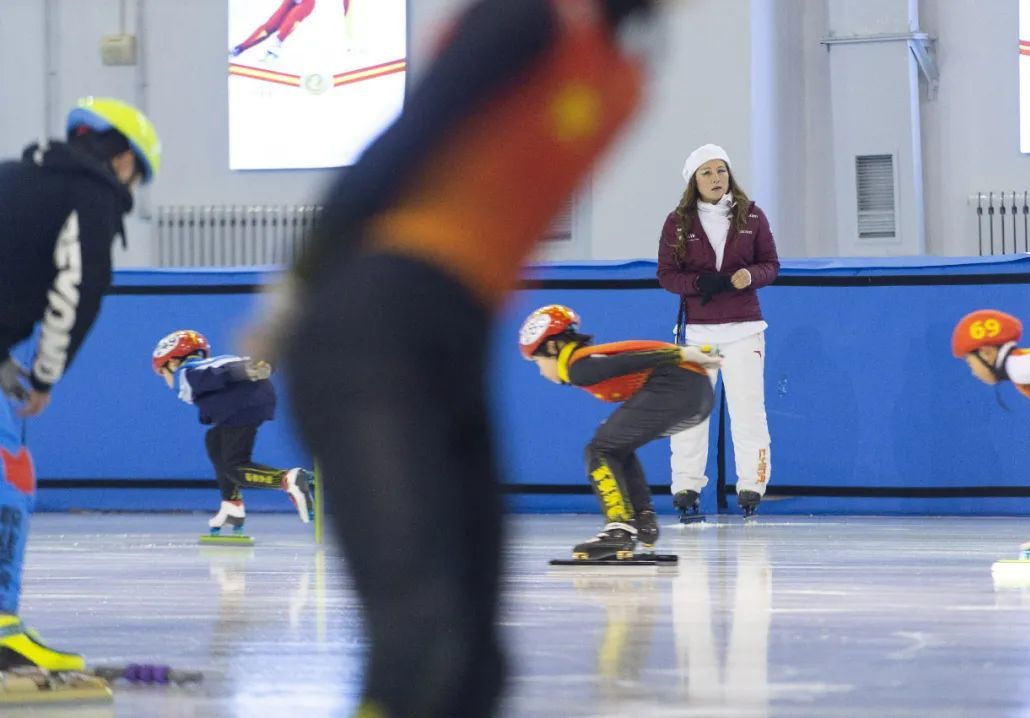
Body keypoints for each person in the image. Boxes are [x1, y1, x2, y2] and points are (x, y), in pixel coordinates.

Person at [249, 1, 664, 714]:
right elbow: (408, 138)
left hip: (454, 338)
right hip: (369, 326)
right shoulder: (528, 20)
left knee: (475, 662)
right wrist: (298, 287)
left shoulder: (623, 74)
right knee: (420, 639)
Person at [0, 96, 160, 671]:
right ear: (122, 162)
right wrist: (44, 375)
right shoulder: (90, 196)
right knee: (7, 475)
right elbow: (77, 290)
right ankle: (0, 632)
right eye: (137, 176)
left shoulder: (14, 175)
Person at [519, 305, 720, 559]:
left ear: (552, 348)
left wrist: (681, 354)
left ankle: (618, 529)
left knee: (598, 449)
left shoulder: (578, 366)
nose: (540, 371)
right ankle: (641, 520)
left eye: (538, 362)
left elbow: (629, 360)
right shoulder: (588, 359)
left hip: (677, 385)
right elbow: (631, 355)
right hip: (695, 392)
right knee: (615, 445)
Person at [656, 144, 779, 520]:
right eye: (706, 172)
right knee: (690, 414)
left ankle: (751, 486)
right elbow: (666, 274)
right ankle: (686, 487)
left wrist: (750, 276)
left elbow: (771, 264)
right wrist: (698, 282)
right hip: (697, 334)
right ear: (694, 180)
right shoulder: (678, 222)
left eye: (720, 170)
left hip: (744, 329)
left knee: (748, 413)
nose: (715, 178)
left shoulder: (752, 215)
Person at [151, 330, 315, 532]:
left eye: (164, 372)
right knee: (215, 441)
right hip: (251, 399)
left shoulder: (189, 372)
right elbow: (225, 374)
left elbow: (215, 376)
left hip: (239, 405)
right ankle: (232, 506)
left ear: (173, 362)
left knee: (235, 468)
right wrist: (257, 366)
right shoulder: (216, 361)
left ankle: (287, 480)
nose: (166, 380)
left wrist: (246, 370)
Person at [952, 309, 1030, 554]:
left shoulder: (1021, 366)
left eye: (970, 362)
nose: (972, 371)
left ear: (987, 352)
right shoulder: (1021, 367)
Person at [230, 0, 316, 62]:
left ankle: (274, 49)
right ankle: (240, 48)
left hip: (306, 3)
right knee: (270, 26)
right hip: (291, 2)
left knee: (290, 21)